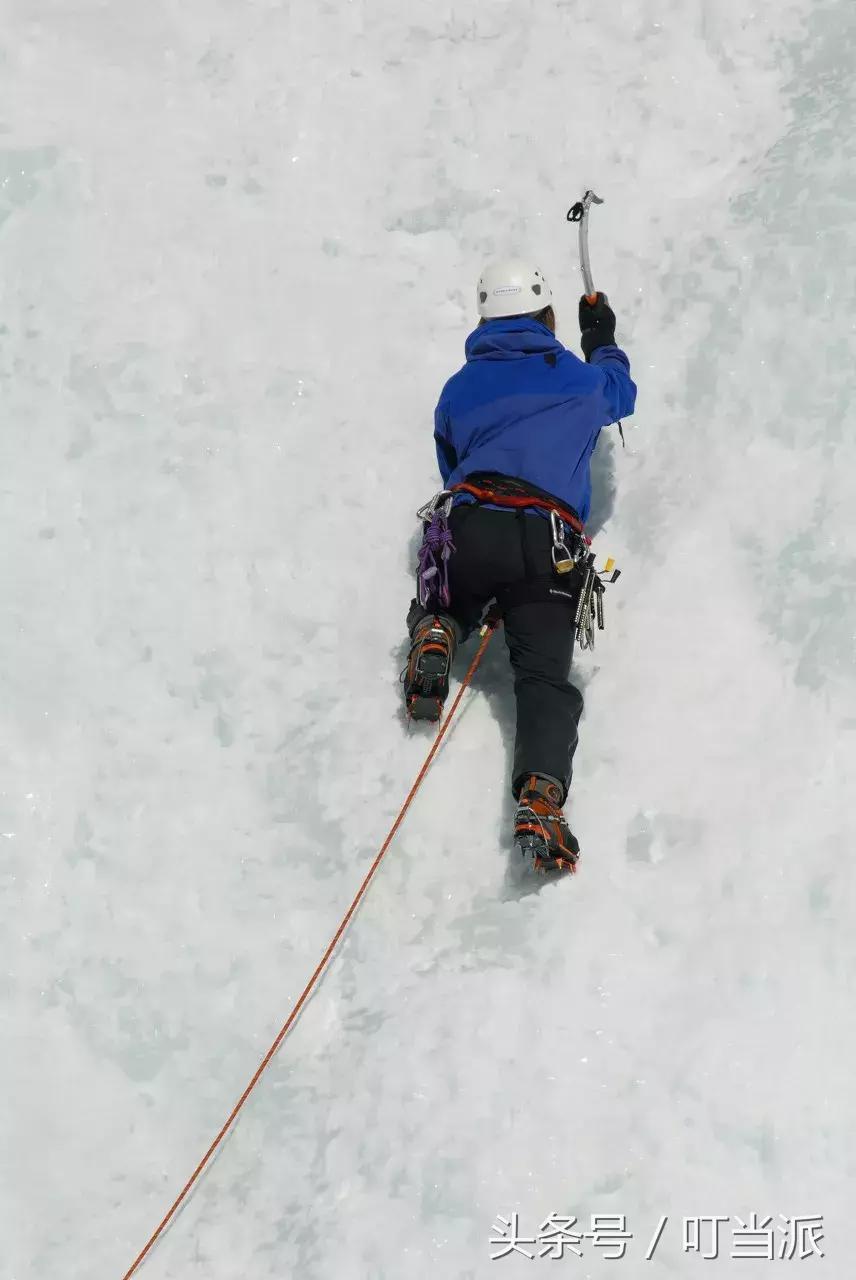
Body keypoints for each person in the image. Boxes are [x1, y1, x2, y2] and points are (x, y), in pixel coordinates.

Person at [403, 259, 637, 872]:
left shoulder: (457, 388)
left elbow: (449, 458)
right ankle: (540, 800)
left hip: (470, 519)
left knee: (449, 587)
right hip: (546, 541)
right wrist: (600, 334)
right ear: (546, 315)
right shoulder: (580, 384)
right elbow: (620, 392)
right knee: (543, 682)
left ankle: (439, 627)